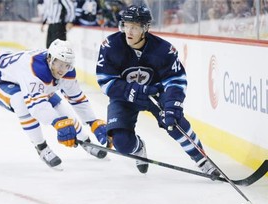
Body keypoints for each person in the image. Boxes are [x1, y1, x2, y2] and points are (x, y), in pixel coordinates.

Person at [95, 4, 221, 177]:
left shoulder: (163, 50)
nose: (129, 31)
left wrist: (171, 104)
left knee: (174, 121)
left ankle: (202, 160)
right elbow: (106, 81)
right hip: (124, 97)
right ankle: (138, 148)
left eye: (135, 27)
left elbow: (176, 80)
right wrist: (135, 91)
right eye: (126, 25)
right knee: (121, 142)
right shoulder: (111, 46)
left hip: (155, 94)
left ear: (145, 28)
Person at [0, 39, 107, 170]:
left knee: (59, 107)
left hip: (21, 76)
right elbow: (37, 107)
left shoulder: (66, 71)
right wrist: (56, 122)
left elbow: (77, 99)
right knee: (21, 102)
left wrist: (92, 121)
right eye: (59, 64)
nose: (62, 70)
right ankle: (41, 148)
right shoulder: (34, 70)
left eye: (67, 65)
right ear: (50, 59)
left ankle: (86, 142)